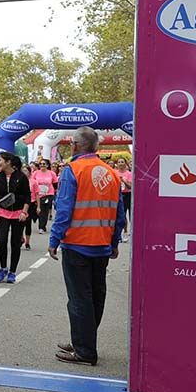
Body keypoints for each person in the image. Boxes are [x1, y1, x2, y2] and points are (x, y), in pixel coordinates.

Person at [48, 127, 126, 366]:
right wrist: (114, 242)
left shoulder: (73, 170)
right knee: (96, 296)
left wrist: (54, 239)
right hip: (101, 244)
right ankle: (83, 340)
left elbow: (64, 209)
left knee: (79, 298)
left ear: (75, 145)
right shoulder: (111, 173)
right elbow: (119, 214)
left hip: (77, 244)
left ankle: (84, 350)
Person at [0, 152, 32, 284]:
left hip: (18, 214)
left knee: (15, 243)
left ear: (8, 162)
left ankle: (12, 271)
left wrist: (24, 212)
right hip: (3, 213)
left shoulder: (21, 177)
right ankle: (3, 268)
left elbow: (27, 196)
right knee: (1, 241)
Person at [32, 159, 58, 233]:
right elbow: (33, 183)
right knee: (38, 210)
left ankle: (42, 227)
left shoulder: (52, 173)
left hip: (48, 194)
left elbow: (55, 183)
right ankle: (40, 223)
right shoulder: (35, 173)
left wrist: (53, 192)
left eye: (44, 164)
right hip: (38, 194)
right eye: (41, 164)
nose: (42, 165)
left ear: (47, 165)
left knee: (44, 210)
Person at [115, 158, 133, 242]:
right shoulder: (114, 173)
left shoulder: (129, 174)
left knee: (130, 214)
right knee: (121, 215)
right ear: (117, 164)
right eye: (119, 162)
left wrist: (123, 181)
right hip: (118, 194)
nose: (120, 163)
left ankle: (129, 232)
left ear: (125, 164)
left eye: (122, 162)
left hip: (128, 194)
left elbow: (130, 186)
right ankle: (122, 232)